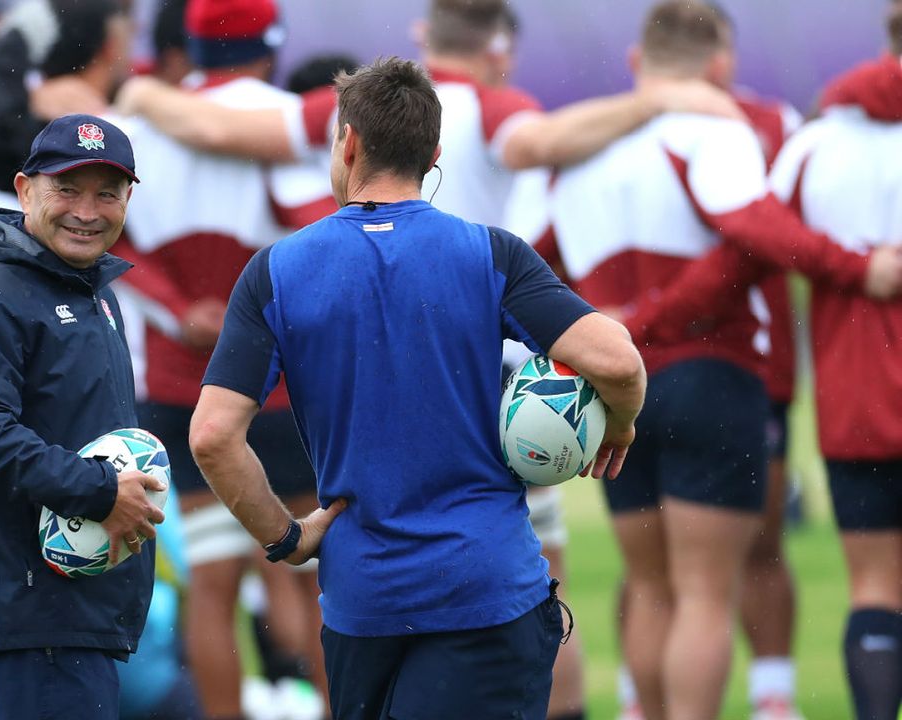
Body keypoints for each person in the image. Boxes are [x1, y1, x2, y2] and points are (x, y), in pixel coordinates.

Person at [189, 56, 647, 720]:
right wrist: (623, 422)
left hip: (362, 602)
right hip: (487, 589)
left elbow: (211, 437)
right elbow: (619, 363)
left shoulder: (276, 272)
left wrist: (286, 538)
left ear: (347, 144)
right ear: (433, 155)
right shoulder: (489, 252)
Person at [523, 3, 902, 718]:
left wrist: (602, 332)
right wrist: (857, 267)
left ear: (640, 64)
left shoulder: (578, 151)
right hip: (710, 374)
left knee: (651, 586)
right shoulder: (714, 132)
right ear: (718, 68)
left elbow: (529, 262)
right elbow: (760, 232)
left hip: (613, 391)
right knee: (703, 591)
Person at [113, 0, 339, 715]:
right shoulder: (281, 122)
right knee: (319, 574)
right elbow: (319, 232)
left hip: (180, 389)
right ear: (271, 46)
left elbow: (110, 238)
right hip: (283, 389)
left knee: (209, 582)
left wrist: (181, 310)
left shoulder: (141, 131)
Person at [0, 113, 164, 720]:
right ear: (24, 188)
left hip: (71, 615)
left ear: (128, 199)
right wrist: (100, 490)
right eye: (67, 190)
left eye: (106, 193)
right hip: (28, 615)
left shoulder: (93, 291)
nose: (87, 211)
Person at [767, 12, 902, 718]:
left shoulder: (815, 143)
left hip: (858, 396)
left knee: (874, 586)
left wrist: (849, 267)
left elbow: (759, 233)